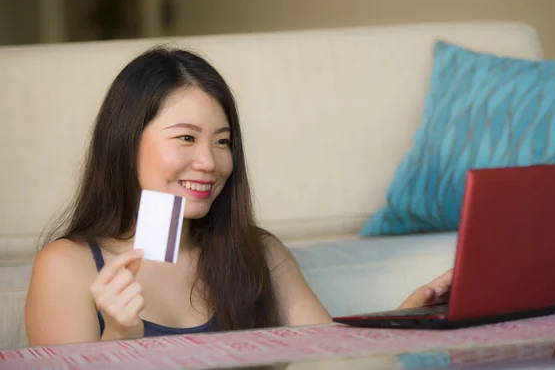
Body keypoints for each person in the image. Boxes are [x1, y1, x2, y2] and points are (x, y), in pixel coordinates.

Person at [24, 47, 453, 347]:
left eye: (223, 142)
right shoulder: (66, 267)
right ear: (126, 143)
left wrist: (408, 319)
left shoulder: (260, 252)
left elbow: (331, 362)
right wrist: (118, 338)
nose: (209, 162)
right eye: (186, 138)